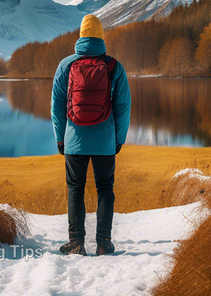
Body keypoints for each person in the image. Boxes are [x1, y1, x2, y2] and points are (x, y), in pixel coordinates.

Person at [51, 14, 131, 256]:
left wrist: (60, 137)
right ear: (101, 36)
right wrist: (119, 139)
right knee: (105, 188)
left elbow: (56, 105)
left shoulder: (66, 65)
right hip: (105, 141)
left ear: (81, 36)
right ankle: (103, 243)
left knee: (75, 189)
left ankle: (76, 243)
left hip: (74, 140)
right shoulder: (113, 66)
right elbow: (123, 106)